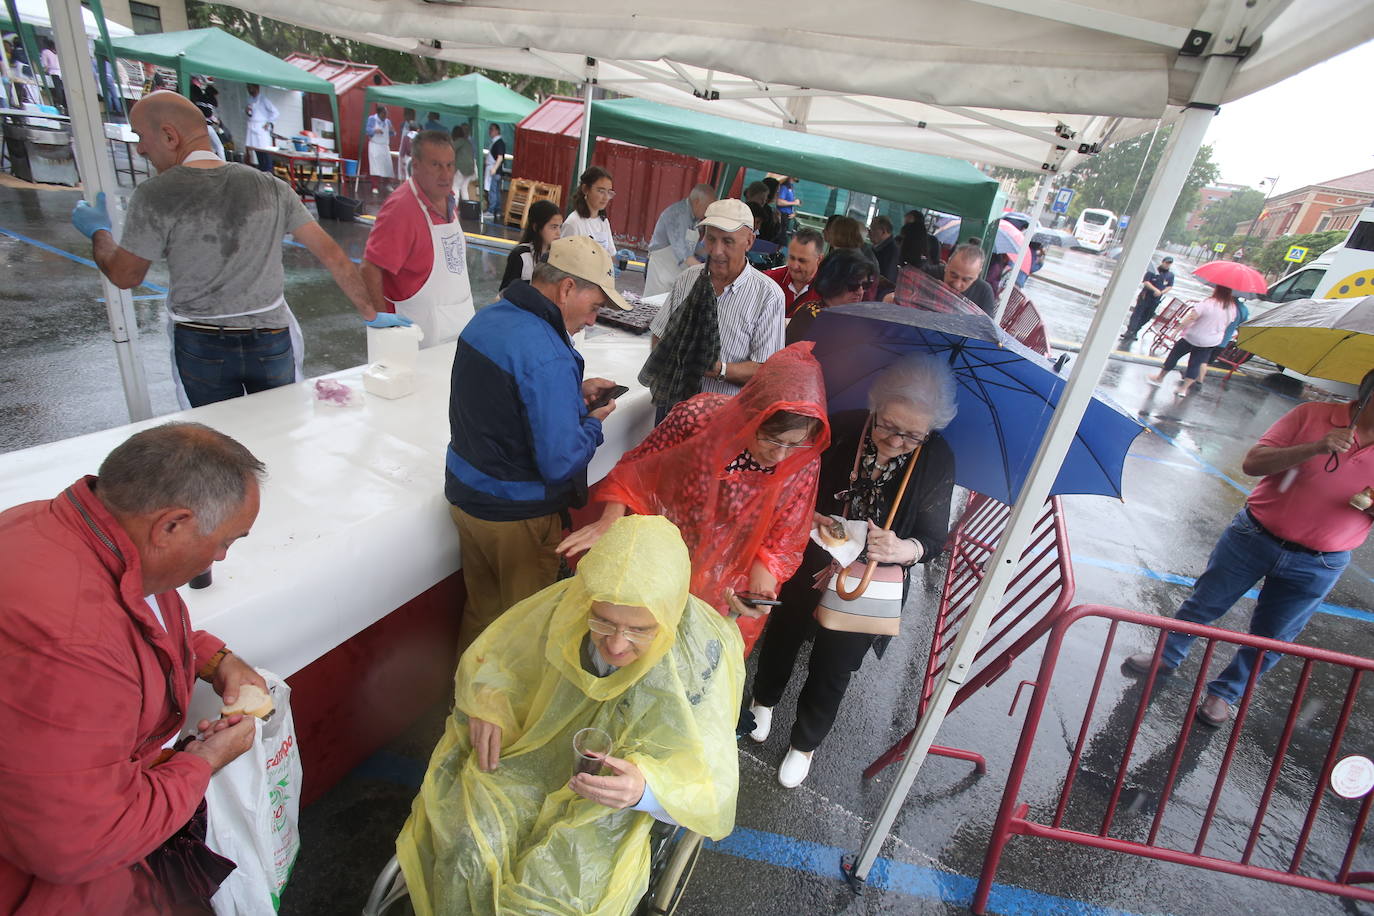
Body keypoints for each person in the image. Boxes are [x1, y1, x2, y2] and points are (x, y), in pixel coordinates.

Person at [396, 515, 742, 916]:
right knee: (467, 851)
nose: (615, 645)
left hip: (608, 801)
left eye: (640, 630)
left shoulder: (700, 657)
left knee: (546, 902)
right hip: (532, 761)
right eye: (604, 621)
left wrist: (647, 790)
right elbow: (502, 658)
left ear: (671, 613)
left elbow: (711, 781)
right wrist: (488, 700)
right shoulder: (566, 606)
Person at [0, 422, 273, 911]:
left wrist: (214, 659)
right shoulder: (71, 647)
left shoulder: (59, 527)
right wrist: (202, 761)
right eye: (224, 542)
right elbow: (77, 845)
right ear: (171, 526)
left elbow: (133, 612)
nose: (221, 557)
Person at [71, 91, 400, 409]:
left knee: (219, 443)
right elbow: (331, 254)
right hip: (271, 339)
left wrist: (99, 232)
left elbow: (126, 275)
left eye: (141, 136)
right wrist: (370, 313)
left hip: (202, 344)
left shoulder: (156, 194)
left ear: (170, 136)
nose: (140, 148)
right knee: (281, 432)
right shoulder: (270, 187)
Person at [747, 354, 957, 787]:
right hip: (809, 555)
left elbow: (934, 537)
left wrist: (903, 547)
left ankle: (804, 743)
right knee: (783, 631)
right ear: (874, 406)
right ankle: (763, 702)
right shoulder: (840, 428)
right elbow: (789, 484)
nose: (897, 442)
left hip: (870, 577)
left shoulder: (936, 457)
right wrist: (809, 517)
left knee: (835, 662)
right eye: (888, 427)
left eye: (912, 436)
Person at [1125, 369, 1374, 727]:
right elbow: (1254, 463)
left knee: (1274, 637)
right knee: (1204, 603)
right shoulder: (1312, 416)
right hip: (1254, 535)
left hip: (1321, 562)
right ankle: (1166, 655)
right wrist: (1317, 447)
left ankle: (1224, 693)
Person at [559, 343, 830, 654]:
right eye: (770, 438)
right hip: (660, 560)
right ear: (750, 414)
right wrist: (609, 520)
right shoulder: (698, 419)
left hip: (726, 582)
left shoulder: (803, 461)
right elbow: (636, 471)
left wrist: (759, 592)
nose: (781, 454)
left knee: (693, 663)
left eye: (793, 444)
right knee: (633, 648)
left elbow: (780, 540)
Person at [446, 236, 631, 652]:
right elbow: (559, 461)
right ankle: (506, 718)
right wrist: (592, 421)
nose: (593, 320)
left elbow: (501, 402)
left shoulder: (488, 318)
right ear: (567, 288)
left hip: (467, 500)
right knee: (521, 633)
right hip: (516, 516)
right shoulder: (548, 353)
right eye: (596, 306)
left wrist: (569, 393)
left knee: (482, 615)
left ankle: (465, 709)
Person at [641, 198, 786, 418]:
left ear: (749, 241)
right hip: (673, 409)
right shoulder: (687, 279)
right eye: (711, 239)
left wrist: (718, 370)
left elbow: (765, 369)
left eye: (728, 241)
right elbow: (659, 334)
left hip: (723, 418)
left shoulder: (768, 296)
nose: (716, 251)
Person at [362, 130, 475, 348]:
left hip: (458, 328)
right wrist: (382, 323)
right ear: (416, 165)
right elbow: (370, 268)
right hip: (418, 338)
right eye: (436, 165)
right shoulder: (401, 208)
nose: (445, 174)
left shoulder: (449, 199)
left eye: (450, 165)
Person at [1147, 285, 1237, 397]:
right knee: (1196, 363)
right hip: (1210, 341)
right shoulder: (1231, 308)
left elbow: (1191, 317)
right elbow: (1227, 324)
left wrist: (1177, 330)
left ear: (1217, 290)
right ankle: (1183, 389)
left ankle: (1160, 378)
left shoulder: (1208, 303)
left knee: (1174, 355)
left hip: (1192, 336)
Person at [785, 248, 879, 345]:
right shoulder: (809, 316)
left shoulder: (855, 319)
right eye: (853, 285)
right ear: (833, 282)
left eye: (865, 285)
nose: (860, 291)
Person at [643, 183, 715, 298]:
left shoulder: (694, 219)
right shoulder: (677, 215)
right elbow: (684, 254)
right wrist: (707, 272)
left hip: (675, 273)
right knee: (654, 307)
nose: (707, 213)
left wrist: (714, 254)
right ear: (697, 202)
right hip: (660, 272)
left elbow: (693, 247)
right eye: (707, 207)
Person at [499, 199, 562, 291]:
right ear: (536, 227)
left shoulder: (556, 256)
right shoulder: (520, 255)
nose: (558, 233)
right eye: (553, 227)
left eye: (560, 227)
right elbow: (505, 292)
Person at [764, 228, 825, 318]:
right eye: (791, 258)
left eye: (802, 261)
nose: (794, 266)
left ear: (819, 259)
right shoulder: (768, 281)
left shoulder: (830, 291)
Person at [560, 165, 617, 259]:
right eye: (601, 191)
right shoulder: (574, 223)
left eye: (609, 192)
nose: (606, 197)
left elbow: (610, 255)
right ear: (585, 189)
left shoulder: (603, 222)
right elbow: (564, 259)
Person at [1121, 256, 1176, 345]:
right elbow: (1146, 282)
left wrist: (1161, 292)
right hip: (1146, 296)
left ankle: (1136, 331)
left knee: (1147, 316)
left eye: (1169, 263)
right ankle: (1130, 331)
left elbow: (1170, 286)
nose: (1167, 265)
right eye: (1166, 263)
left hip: (1156, 299)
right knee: (1137, 314)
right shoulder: (1153, 271)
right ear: (1163, 262)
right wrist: (1155, 290)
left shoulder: (1170, 275)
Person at [940, 243, 998, 316]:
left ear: (977, 274)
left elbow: (984, 326)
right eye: (953, 275)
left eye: (966, 280)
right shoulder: (928, 275)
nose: (957, 285)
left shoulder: (984, 292)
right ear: (948, 264)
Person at [244, 83, 278, 172]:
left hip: (261, 127)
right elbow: (250, 115)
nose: (250, 91)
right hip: (253, 127)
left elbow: (275, 112)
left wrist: (269, 122)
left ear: (257, 88)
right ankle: (262, 170)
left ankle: (268, 171)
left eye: (251, 88)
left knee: (264, 151)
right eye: (248, 88)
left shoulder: (263, 99)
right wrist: (247, 112)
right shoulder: (249, 99)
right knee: (257, 150)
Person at [366, 103, 395, 184]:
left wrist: (392, 131)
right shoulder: (372, 119)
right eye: (384, 113)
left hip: (385, 146)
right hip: (375, 145)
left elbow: (391, 133)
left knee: (387, 166)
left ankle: (387, 184)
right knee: (375, 167)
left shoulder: (388, 121)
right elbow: (367, 130)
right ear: (380, 113)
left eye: (386, 113)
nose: (386, 115)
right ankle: (375, 186)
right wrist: (375, 131)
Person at [484, 122, 507, 220]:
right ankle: (497, 210)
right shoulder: (496, 142)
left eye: (492, 129)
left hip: (494, 170)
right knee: (496, 191)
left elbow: (500, 157)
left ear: (497, 131)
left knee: (493, 191)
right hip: (494, 169)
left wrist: (494, 168)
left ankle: (491, 210)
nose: (490, 131)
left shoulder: (499, 142)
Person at [450, 123, 476, 201]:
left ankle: (454, 207)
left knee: (455, 186)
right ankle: (466, 208)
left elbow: (450, 149)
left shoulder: (460, 141)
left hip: (461, 169)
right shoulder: (469, 142)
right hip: (470, 170)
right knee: (464, 188)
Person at [869, 215, 899, 282]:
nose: (869, 232)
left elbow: (886, 279)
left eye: (873, 229)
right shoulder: (880, 247)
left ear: (883, 231)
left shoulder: (891, 252)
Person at [38, 38, 63, 111]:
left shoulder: (45, 52)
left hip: (52, 73)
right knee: (60, 90)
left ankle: (56, 104)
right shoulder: (57, 54)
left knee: (54, 91)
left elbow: (45, 65)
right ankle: (61, 105)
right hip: (60, 74)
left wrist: (42, 71)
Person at [396, 109, 419, 180]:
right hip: (411, 156)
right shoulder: (403, 125)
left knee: (408, 175)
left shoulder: (408, 137)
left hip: (409, 156)